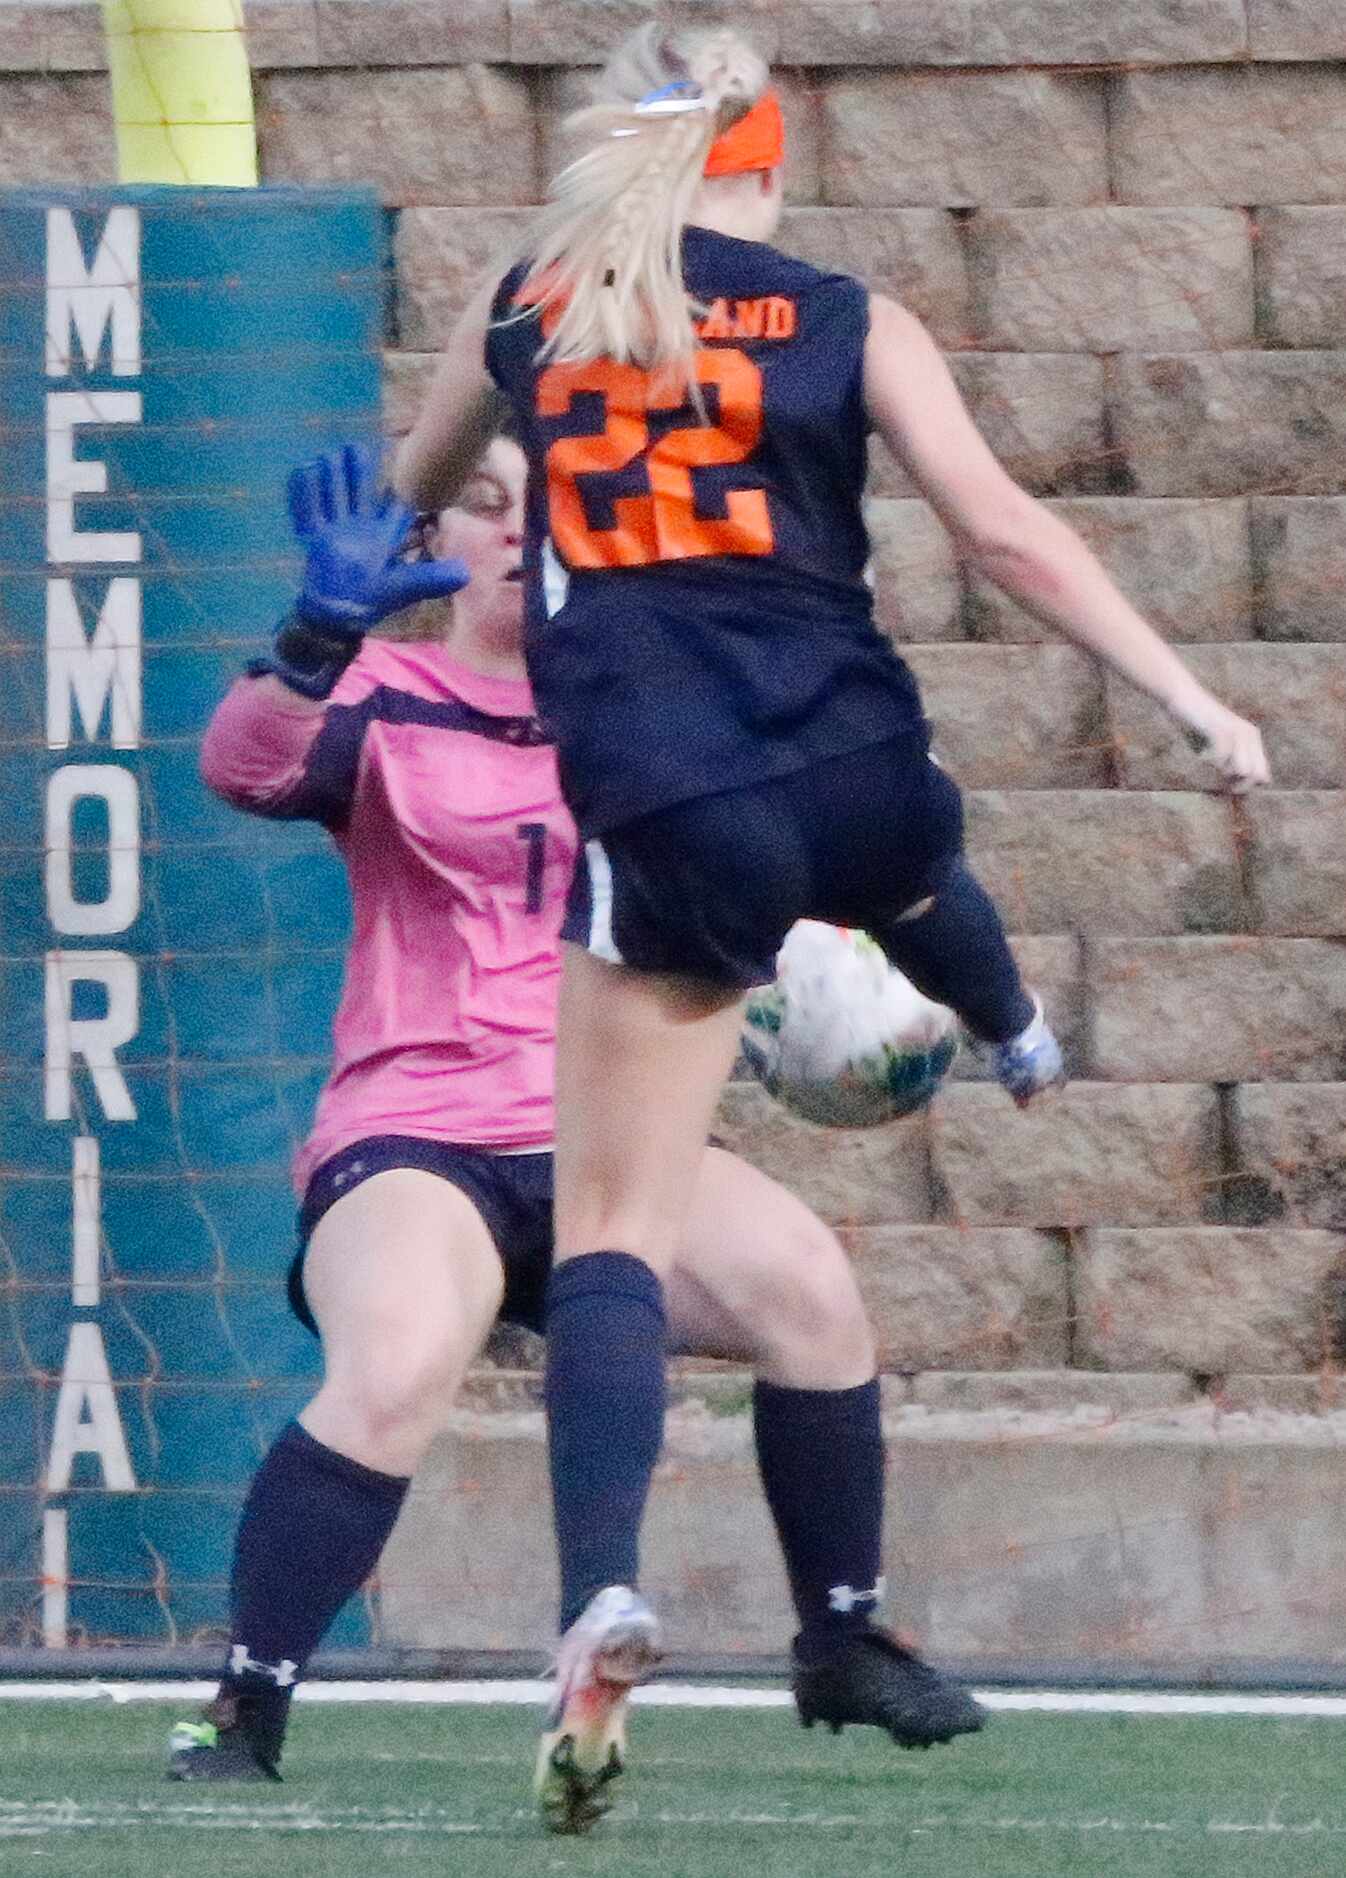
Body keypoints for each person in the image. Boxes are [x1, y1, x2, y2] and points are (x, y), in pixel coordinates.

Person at [395, 19, 1272, 1834]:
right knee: (911, 864)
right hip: (863, 767)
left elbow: (422, 493)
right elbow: (1008, 536)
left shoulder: (529, 306)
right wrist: (1191, 701)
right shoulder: (844, 314)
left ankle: (601, 1588)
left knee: (614, 1223)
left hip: (676, 796)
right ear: (768, 166)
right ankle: (1013, 1027)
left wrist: (343, 604)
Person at [172, 432, 983, 1818]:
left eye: (551, 515)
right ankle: (248, 1699)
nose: (515, 536)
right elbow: (244, 768)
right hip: (418, 1127)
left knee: (810, 1289)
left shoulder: (668, 720)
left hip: (613, 1127)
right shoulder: (385, 693)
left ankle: (840, 1636)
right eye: (486, 506)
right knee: (400, 1361)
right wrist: (310, 638)